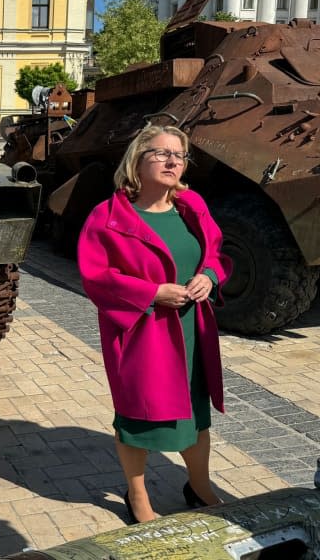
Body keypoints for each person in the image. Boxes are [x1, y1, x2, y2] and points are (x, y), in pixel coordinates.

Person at [77, 125, 232, 524]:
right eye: (161, 153)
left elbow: (216, 253)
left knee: (196, 415)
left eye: (179, 155)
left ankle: (199, 486)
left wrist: (209, 276)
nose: (172, 161)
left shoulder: (191, 206)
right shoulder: (108, 217)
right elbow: (96, 277)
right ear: (137, 160)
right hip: (142, 334)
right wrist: (150, 293)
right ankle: (138, 497)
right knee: (139, 418)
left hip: (191, 330)